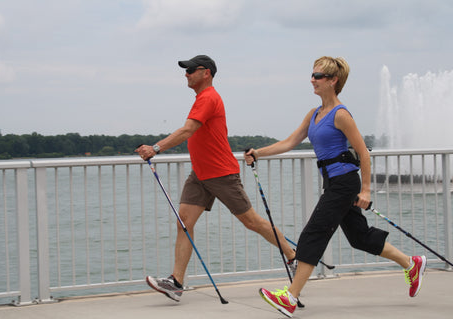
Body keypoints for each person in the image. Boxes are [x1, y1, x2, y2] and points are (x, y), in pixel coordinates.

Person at [245, 56, 427, 318]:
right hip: (333, 182)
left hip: (344, 183)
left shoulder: (341, 115)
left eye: (318, 76)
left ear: (333, 81)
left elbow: (363, 153)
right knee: (359, 237)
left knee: (314, 233)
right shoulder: (314, 114)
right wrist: (259, 153)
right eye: (312, 75)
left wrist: (365, 191)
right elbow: (289, 142)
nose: (312, 80)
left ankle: (290, 297)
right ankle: (411, 263)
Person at [135, 55, 297, 302]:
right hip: (200, 173)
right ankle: (176, 283)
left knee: (251, 222)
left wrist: (155, 148)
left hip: (222, 173)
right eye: (185, 70)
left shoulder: (209, 97)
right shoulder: (201, 99)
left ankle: (294, 257)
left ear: (206, 72)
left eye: (190, 70)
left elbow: (188, 130)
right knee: (184, 223)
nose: (186, 74)